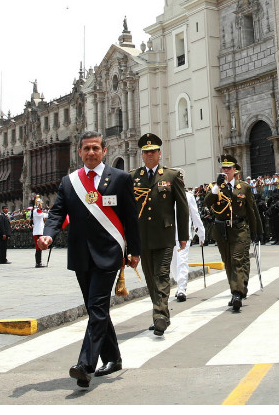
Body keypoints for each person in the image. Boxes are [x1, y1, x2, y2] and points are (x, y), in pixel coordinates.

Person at [37, 131, 141, 387]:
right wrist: (48, 236)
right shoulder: (70, 182)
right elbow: (57, 213)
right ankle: (114, 357)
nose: (91, 152)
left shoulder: (120, 178)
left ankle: (85, 364)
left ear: (104, 151)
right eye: (86, 148)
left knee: (96, 307)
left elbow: (130, 218)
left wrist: (134, 251)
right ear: (80, 152)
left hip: (109, 253)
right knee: (96, 309)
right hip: (81, 255)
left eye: (95, 148)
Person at [131, 134, 189, 336]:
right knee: (150, 279)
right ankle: (160, 314)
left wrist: (183, 235)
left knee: (162, 275)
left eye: (153, 151)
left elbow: (182, 209)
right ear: (142, 154)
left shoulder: (171, 176)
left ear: (159, 153)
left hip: (164, 236)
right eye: (146, 152)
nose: (149, 155)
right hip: (142, 237)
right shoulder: (133, 177)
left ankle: (160, 316)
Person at [208, 156, 261, 310]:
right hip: (222, 230)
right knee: (228, 261)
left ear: (234, 170)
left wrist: (256, 230)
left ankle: (236, 293)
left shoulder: (243, 187)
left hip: (240, 229)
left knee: (237, 259)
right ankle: (238, 286)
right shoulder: (216, 187)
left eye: (228, 168)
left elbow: (251, 211)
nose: (226, 171)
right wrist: (216, 188)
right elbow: (207, 202)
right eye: (223, 168)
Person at [170, 184, 205, 302]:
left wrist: (201, 233)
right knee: (173, 264)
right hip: (169, 235)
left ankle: (181, 288)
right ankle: (178, 282)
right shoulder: (166, 195)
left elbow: (195, 215)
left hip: (183, 235)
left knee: (182, 261)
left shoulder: (188, 196)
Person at [31, 197, 48, 268]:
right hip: (37, 232)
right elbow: (45, 215)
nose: (41, 206)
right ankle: (38, 263)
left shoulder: (37, 211)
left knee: (39, 248)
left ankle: (39, 262)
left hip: (39, 231)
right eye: (40, 204)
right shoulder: (36, 211)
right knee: (38, 248)